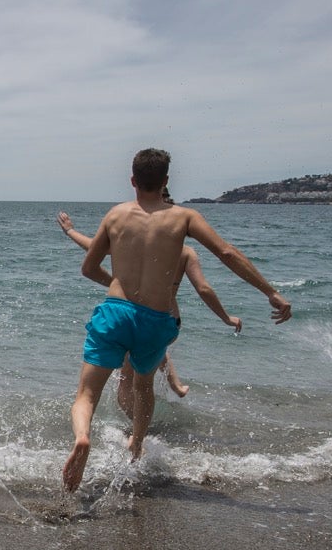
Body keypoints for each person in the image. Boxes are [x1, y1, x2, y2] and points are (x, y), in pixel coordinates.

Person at [64, 148, 291, 492]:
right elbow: (227, 252)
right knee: (143, 387)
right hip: (157, 319)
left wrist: (115, 283)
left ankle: (82, 438)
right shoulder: (184, 218)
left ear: (132, 180)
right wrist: (270, 291)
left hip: (115, 312)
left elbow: (88, 267)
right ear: (167, 180)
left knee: (86, 395)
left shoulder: (115, 216)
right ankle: (137, 447)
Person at [57, 209, 241, 401]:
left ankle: (142, 429)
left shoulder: (138, 247)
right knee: (153, 344)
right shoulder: (186, 252)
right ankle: (175, 385)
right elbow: (203, 289)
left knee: (126, 386)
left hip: (139, 318)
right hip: (169, 322)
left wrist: (70, 232)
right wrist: (225, 318)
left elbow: (94, 248)